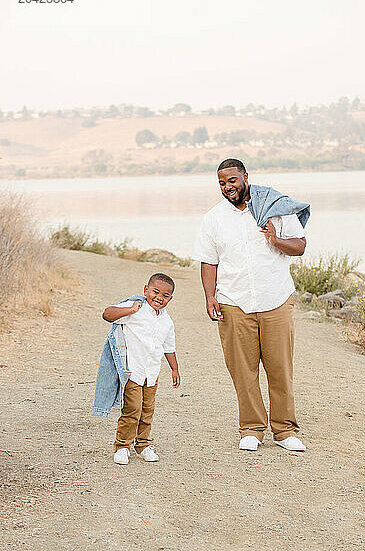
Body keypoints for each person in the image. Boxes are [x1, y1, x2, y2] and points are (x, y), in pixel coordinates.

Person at [193, 158, 307, 452]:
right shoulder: (214, 218)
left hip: (275, 300)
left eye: (231, 180)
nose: (227, 187)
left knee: (280, 368)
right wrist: (210, 296)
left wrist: (276, 240)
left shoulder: (274, 208)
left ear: (245, 176)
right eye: (221, 183)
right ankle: (252, 429)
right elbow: (209, 261)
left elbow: (300, 245)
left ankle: (284, 431)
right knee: (242, 370)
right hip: (233, 302)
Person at [101, 273, 180, 465]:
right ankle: (122, 446)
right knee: (132, 409)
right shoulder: (135, 310)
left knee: (147, 410)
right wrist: (128, 310)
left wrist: (174, 369)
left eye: (166, 295)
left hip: (151, 374)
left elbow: (168, 347)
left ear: (170, 299)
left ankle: (144, 445)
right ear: (146, 290)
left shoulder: (166, 322)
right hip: (133, 372)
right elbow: (107, 314)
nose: (159, 297)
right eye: (155, 292)